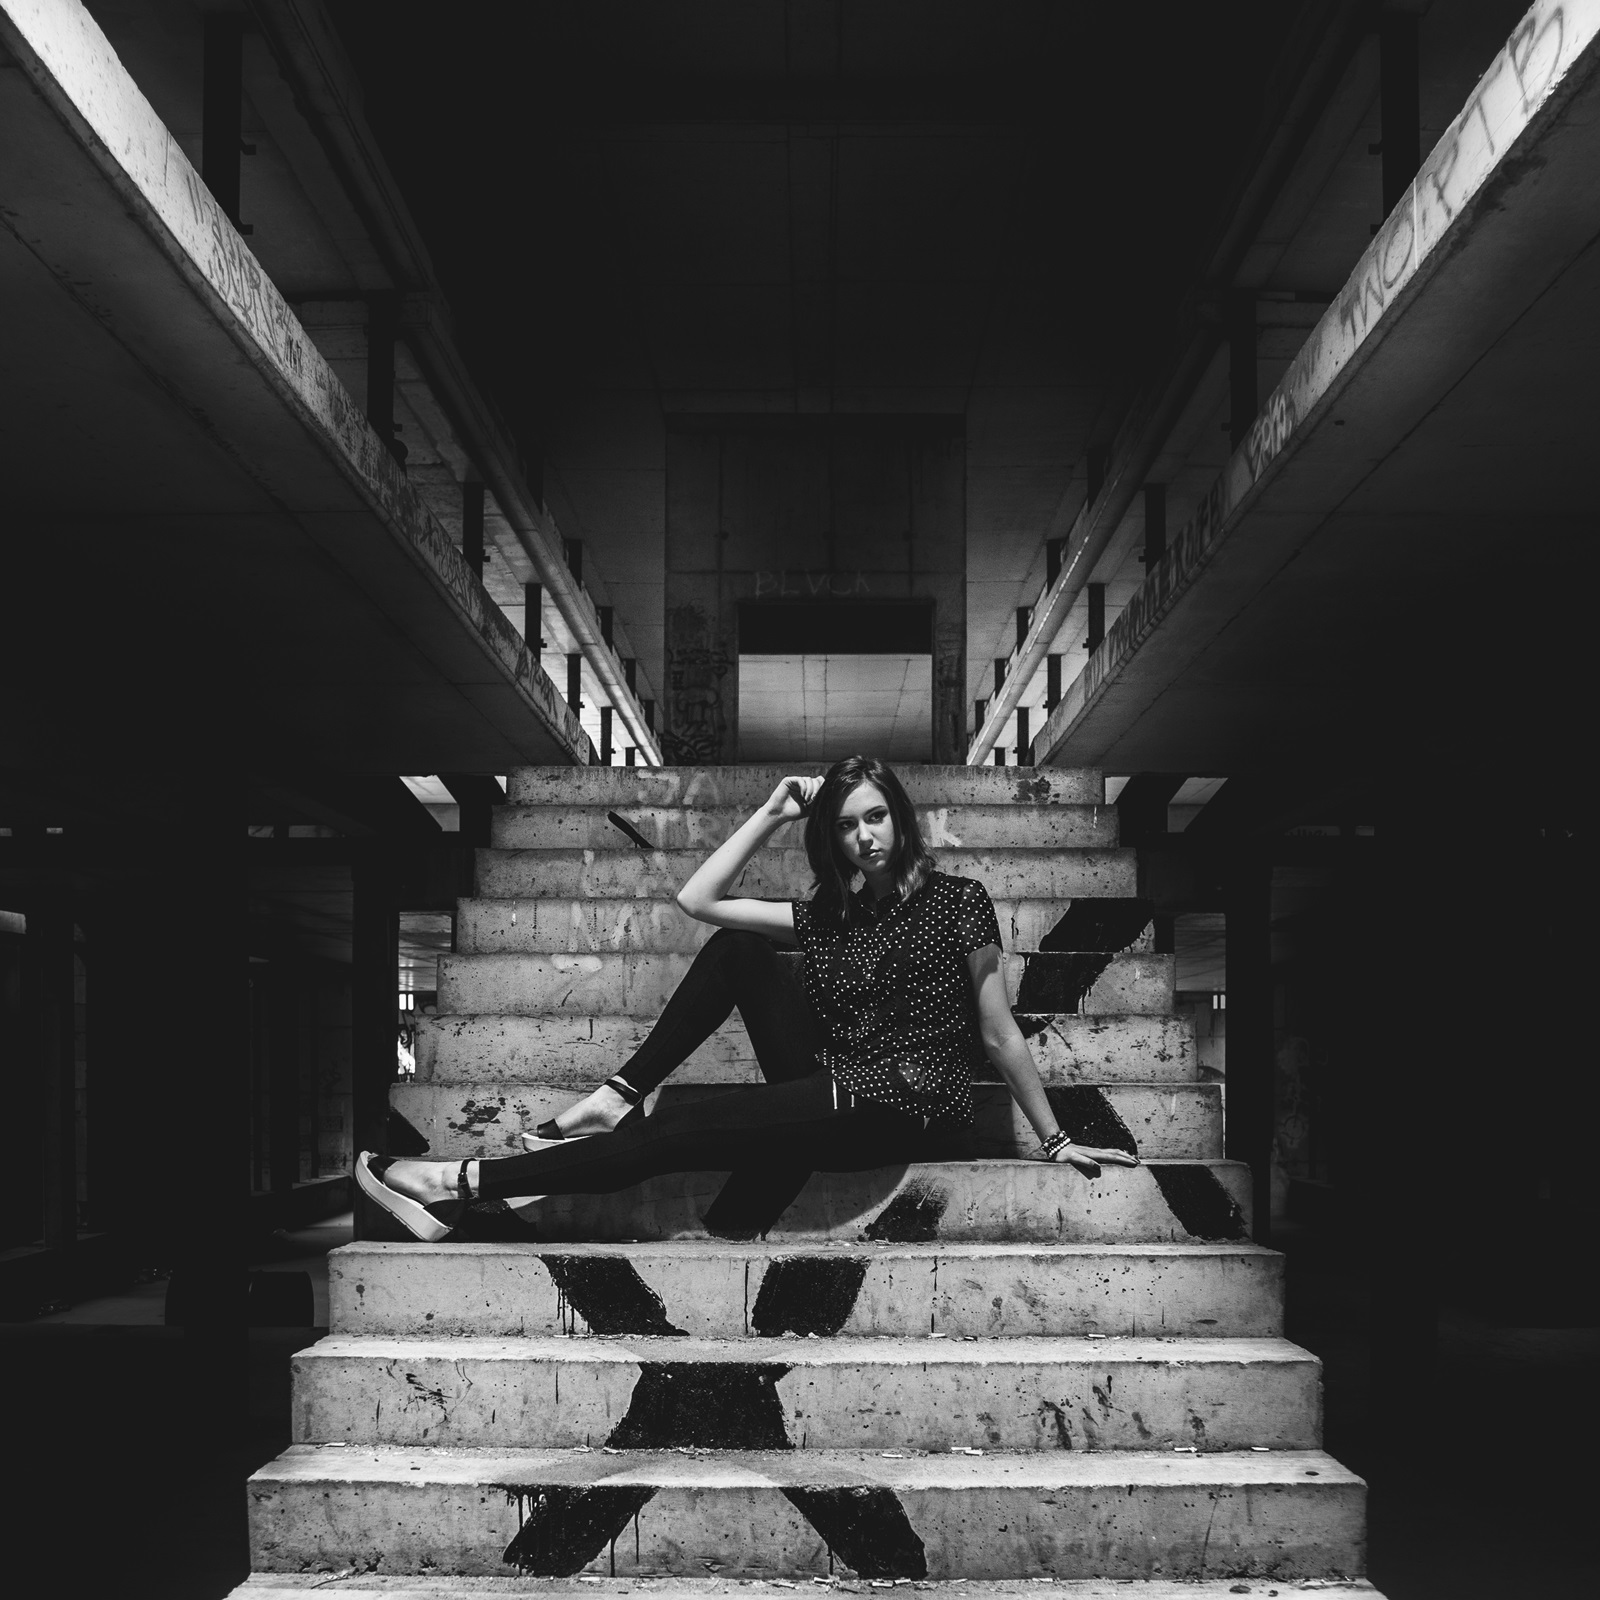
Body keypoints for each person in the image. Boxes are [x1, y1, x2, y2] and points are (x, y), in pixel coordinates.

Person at [357, 756, 1138, 1241]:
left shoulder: (958, 901)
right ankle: (616, 1093)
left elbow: (998, 1034)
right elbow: (699, 901)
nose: (864, 836)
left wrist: (1057, 1140)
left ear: (900, 818)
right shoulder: (830, 916)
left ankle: (457, 1185)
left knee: (677, 1129)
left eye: (876, 817)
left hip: (902, 1101)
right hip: (833, 1083)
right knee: (737, 947)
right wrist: (770, 813)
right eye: (846, 827)